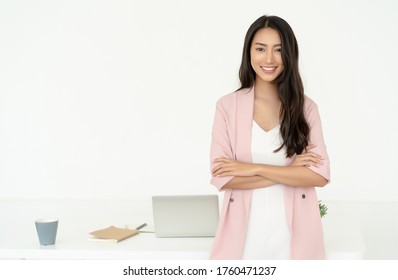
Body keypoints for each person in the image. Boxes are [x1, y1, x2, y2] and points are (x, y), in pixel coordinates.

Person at [209, 15, 330, 260]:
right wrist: (289, 172)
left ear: (289, 54)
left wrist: (249, 168)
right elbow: (223, 177)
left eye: (278, 50)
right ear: (249, 52)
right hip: (243, 236)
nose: (269, 59)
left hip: (294, 234)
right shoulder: (227, 106)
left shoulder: (306, 109)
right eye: (260, 49)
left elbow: (318, 175)